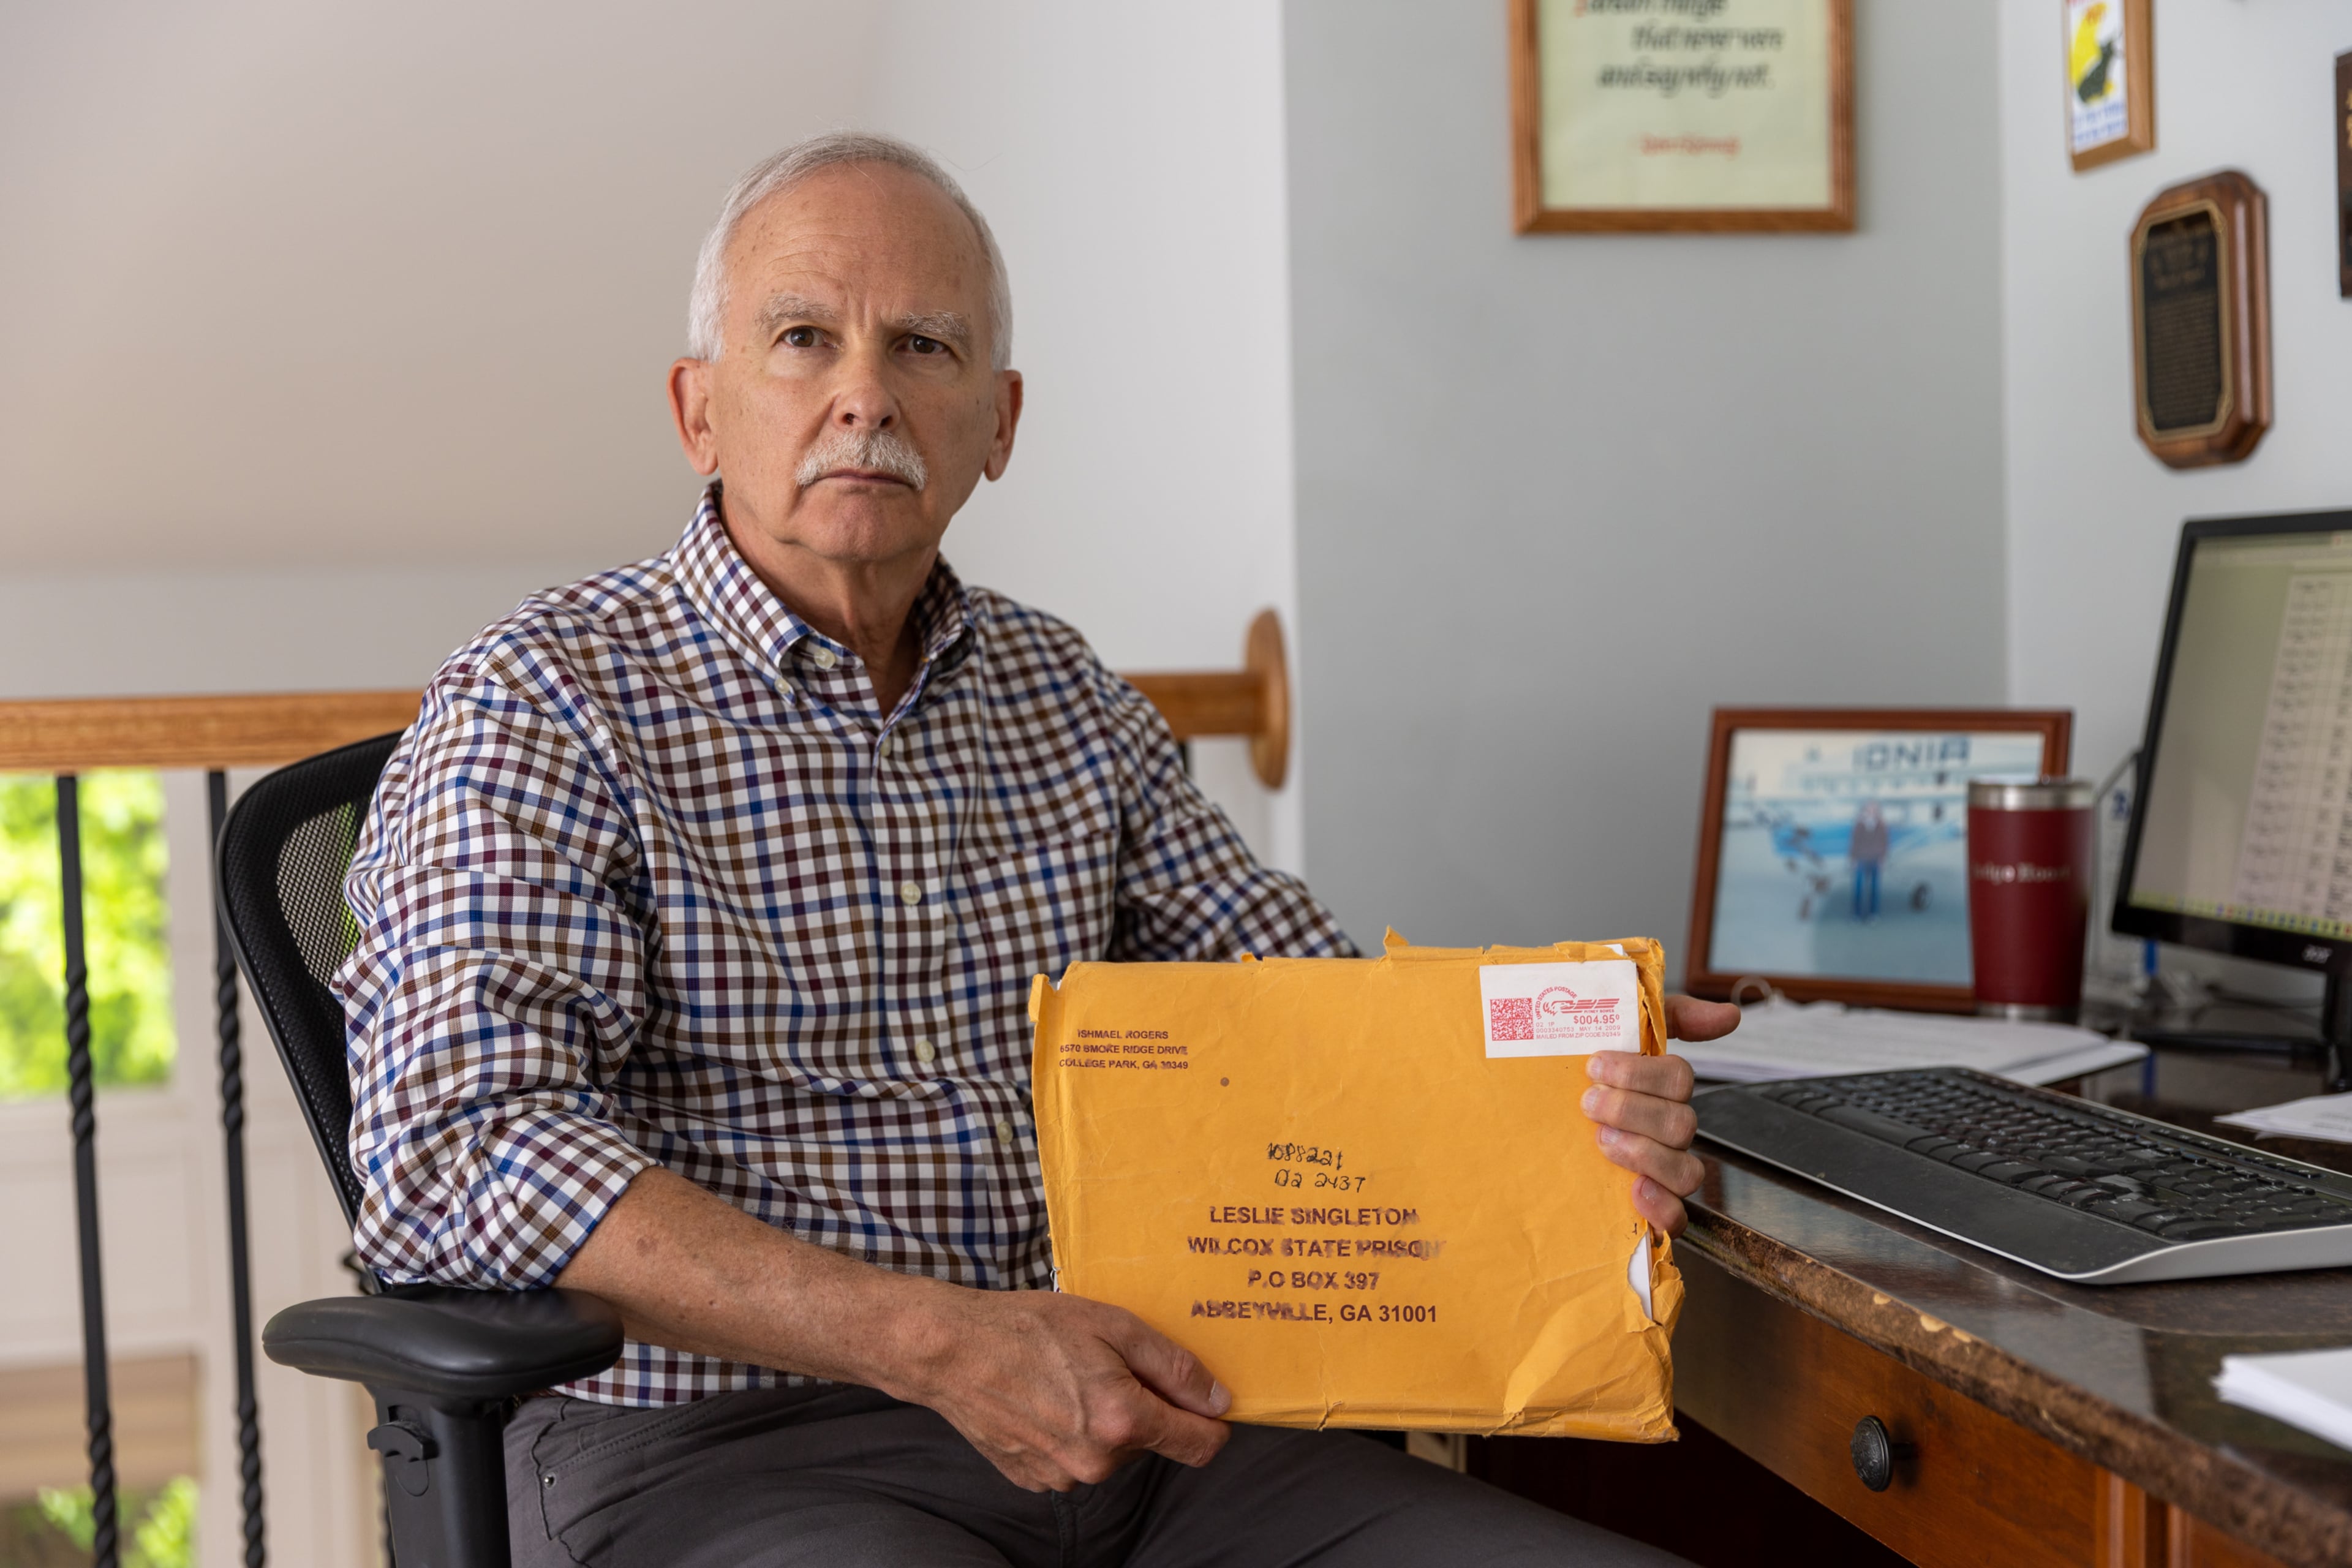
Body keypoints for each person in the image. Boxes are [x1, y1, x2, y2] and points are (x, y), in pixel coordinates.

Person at [337, 132, 1736, 1568]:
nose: (865, 395)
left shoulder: (1060, 693)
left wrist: (1563, 1053)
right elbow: (458, 1148)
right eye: (803, 339)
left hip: (1141, 1429)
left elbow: (1310, 1005)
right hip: (723, 1452)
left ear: (998, 423)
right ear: (699, 410)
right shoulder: (541, 696)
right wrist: (938, 1340)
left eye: (924, 346)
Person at [1850, 800, 1890, 922]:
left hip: (1875, 860)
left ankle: (1873, 914)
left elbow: (1884, 844)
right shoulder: (1859, 825)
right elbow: (1855, 843)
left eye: (1874, 810)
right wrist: (1853, 859)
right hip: (1861, 859)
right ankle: (1856, 914)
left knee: (1874, 889)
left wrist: (1882, 859)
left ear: (1877, 812)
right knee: (1858, 889)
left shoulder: (1882, 825)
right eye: (1869, 809)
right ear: (1865, 811)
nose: (1871, 812)